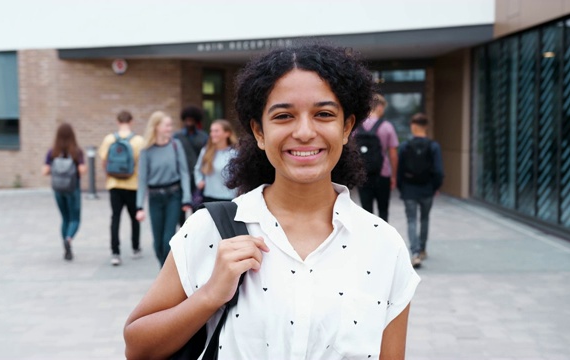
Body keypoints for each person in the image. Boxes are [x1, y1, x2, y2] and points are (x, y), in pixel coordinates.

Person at [124, 43, 420, 359]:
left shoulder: (384, 245)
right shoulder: (212, 229)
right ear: (259, 131)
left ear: (346, 127)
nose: (305, 132)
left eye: (323, 114)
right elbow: (137, 347)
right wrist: (210, 295)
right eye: (283, 116)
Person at [135, 111, 192, 267]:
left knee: (168, 240)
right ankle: (164, 273)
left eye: (170, 125)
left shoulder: (175, 145)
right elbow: (142, 179)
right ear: (157, 126)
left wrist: (186, 198)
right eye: (167, 125)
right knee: (157, 244)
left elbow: (184, 173)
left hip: (173, 196)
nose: (170, 128)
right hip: (155, 198)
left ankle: (165, 276)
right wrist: (139, 206)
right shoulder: (146, 150)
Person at [98, 110, 145, 266]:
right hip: (133, 185)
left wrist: (110, 177)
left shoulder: (109, 139)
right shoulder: (138, 141)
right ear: (131, 121)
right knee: (134, 218)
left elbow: (104, 162)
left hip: (114, 185)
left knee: (115, 218)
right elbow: (141, 163)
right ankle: (135, 247)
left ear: (118, 121)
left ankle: (115, 252)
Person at [397, 113, 444, 269]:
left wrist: (400, 187)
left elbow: (399, 170)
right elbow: (438, 171)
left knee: (411, 220)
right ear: (426, 127)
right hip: (427, 189)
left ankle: (415, 253)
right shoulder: (433, 146)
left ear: (413, 126)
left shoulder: (405, 146)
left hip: (409, 189)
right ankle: (423, 249)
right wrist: (435, 187)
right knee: (424, 218)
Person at [42, 123, 87, 261]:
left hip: (58, 189)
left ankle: (66, 248)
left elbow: (44, 171)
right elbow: (82, 170)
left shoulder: (52, 152)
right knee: (75, 219)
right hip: (73, 188)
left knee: (65, 218)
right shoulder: (76, 152)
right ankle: (69, 239)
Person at [357, 94, 399, 222]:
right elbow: (393, 154)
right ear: (380, 107)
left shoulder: (356, 126)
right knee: (383, 210)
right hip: (383, 173)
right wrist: (394, 176)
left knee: (365, 211)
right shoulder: (387, 126)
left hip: (362, 174)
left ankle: (368, 240)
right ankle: (383, 239)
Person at [174, 106, 209, 218]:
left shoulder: (203, 137)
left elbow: (207, 157)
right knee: (180, 211)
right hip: (181, 178)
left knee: (197, 210)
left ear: (196, 120)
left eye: (192, 120)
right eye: (187, 119)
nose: (189, 122)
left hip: (196, 179)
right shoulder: (177, 137)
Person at [193, 119, 238, 204]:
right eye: (211, 131)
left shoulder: (235, 153)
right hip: (209, 197)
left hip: (230, 198)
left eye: (216, 131)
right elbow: (197, 169)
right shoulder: (206, 151)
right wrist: (199, 180)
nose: (212, 134)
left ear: (227, 133)